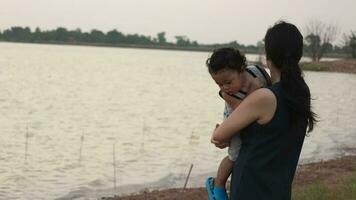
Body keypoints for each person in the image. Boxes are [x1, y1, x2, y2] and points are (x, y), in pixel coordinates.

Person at [211, 21, 317, 200]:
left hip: (250, 189)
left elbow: (219, 136)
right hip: (279, 190)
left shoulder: (264, 98)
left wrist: (219, 132)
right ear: (298, 55)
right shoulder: (301, 92)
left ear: (268, 57)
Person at [205, 47, 271, 200]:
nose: (225, 88)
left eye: (228, 82)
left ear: (242, 69)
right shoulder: (228, 94)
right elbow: (241, 110)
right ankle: (218, 185)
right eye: (219, 85)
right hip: (234, 117)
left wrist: (259, 88)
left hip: (252, 116)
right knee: (234, 154)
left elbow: (272, 90)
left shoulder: (258, 72)